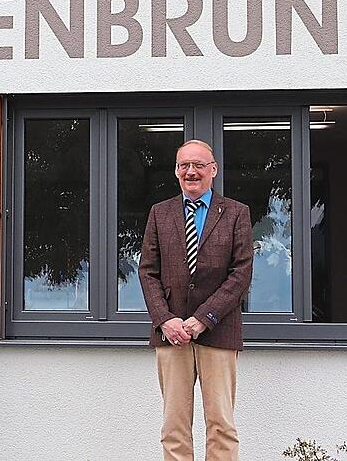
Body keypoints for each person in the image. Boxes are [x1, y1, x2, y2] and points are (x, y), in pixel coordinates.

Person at [138, 140, 253, 461]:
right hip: (170, 335)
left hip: (219, 331)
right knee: (174, 427)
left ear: (213, 170)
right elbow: (147, 272)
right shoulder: (159, 214)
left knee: (221, 425)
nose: (191, 172)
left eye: (199, 165)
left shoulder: (236, 213)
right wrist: (165, 319)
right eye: (184, 165)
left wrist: (204, 318)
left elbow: (241, 273)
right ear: (176, 171)